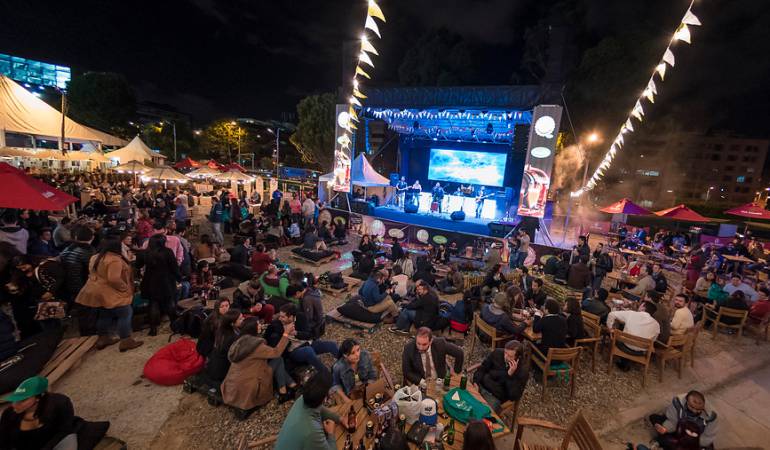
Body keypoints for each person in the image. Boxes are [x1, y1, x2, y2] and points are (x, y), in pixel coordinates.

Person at [75, 237, 143, 352]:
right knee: (125, 313)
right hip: (111, 292)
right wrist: (124, 288)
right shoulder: (114, 259)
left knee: (104, 314)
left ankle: (103, 338)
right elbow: (113, 279)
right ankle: (126, 340)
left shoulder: (95, 257)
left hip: (96, 291)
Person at [0, 376, 106, 450]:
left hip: (57, 440)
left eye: (22, 400)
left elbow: (64, 430)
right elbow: (4, 441)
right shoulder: (9, 414)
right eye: (15, 399)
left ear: (38, 398)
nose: (15, 404)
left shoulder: (61, 403)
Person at [221, 317, 296, 410]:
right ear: (253, 328)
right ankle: (284, 392)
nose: (260, 325)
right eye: (258, 324)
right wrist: (286, 333)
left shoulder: (239, 342)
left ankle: (291, 384)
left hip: (233, 384)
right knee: (278, 359)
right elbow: (276, 352)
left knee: (276, 361)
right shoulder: (256, 346)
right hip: (249, 386)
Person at [274, 369, 346, 450]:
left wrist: (340, 418)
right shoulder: (312, 431)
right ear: (324, 398)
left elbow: (320, 408)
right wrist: (330, 433)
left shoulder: (303, 398)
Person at [264, 302, 339, 373]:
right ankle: (326, 374)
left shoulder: (300, 317)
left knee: (331, 345)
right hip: (294, 350)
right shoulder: (277, 324)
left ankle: (344, 363)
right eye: (280, 316)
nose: (280, 318)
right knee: (308, 351)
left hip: (307, 343)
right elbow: (266, 337)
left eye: (283, 317)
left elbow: (310, 335)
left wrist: (296, 333)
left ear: (291, 317)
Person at [137, 234, 181, 336]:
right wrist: (179, 278)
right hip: (166, 281)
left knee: (153, 304)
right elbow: (174, 267)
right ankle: (174, 325)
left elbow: (138, 265)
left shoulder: (145, 253)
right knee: (169, 303)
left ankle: (153, 329)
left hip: (150, 281)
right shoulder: (167, 252)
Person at [472, 340, 530, 413]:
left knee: (480, 414)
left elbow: (514, 396)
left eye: (510, 356)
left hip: (494, 397)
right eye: (505, 352)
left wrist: (510, 376)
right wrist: (476, 382)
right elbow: (483, 367)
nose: (506, 357)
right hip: (480, 386)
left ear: (518, 357)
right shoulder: (497, 353)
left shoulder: (522, 371)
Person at [648, 391, 718, 450]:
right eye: (692, 407)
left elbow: (708, 436)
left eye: (698, 409)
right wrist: (665, 429)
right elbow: (673, 421)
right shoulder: (677, 403)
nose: (695, 411)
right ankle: (660, 441)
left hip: (695, 440)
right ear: (686, 401)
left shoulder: (711, 416)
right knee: (654, 418)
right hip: (679, 433)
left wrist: (693, 443)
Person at [606, 301, 660, 371]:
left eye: (640, 305)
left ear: (643, 308)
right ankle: (626, 362)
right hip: (640, 352)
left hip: (624, 347)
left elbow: (611, 314)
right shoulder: (657, 325)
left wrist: (610, 329)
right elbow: (654, 340)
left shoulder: (632, 314)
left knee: (619, 332)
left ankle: (623, 361)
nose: (639, 307)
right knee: (632, 336)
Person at [203, 309, 243, 387]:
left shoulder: (223, 329)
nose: (243, 319)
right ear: (232, 323)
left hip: (215, 364)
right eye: (240, 319)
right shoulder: (231, 337)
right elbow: (235, 356)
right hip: (222, 370)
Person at [331, 338, 378, 403]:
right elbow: (336, 384)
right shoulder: (338, 367)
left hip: (366, 386)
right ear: (345, 355)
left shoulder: (365, 356)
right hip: (350, 393)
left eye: (358, 350)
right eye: (353, 353)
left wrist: (369, 388)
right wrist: (345, 398)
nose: (357, 354)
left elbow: (372, 374)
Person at [59, 226, 96, 305]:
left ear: (75, 237)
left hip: (64, 286)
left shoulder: (67, 249)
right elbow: (94, 270)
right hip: (81, 288)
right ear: (92, 237)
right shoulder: (88, 251)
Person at [302, 274, 325, 339]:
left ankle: (313, 336)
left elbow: (309, 316)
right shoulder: (316, 291)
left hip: (315, 323)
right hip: (319, 319)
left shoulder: (307, 298)